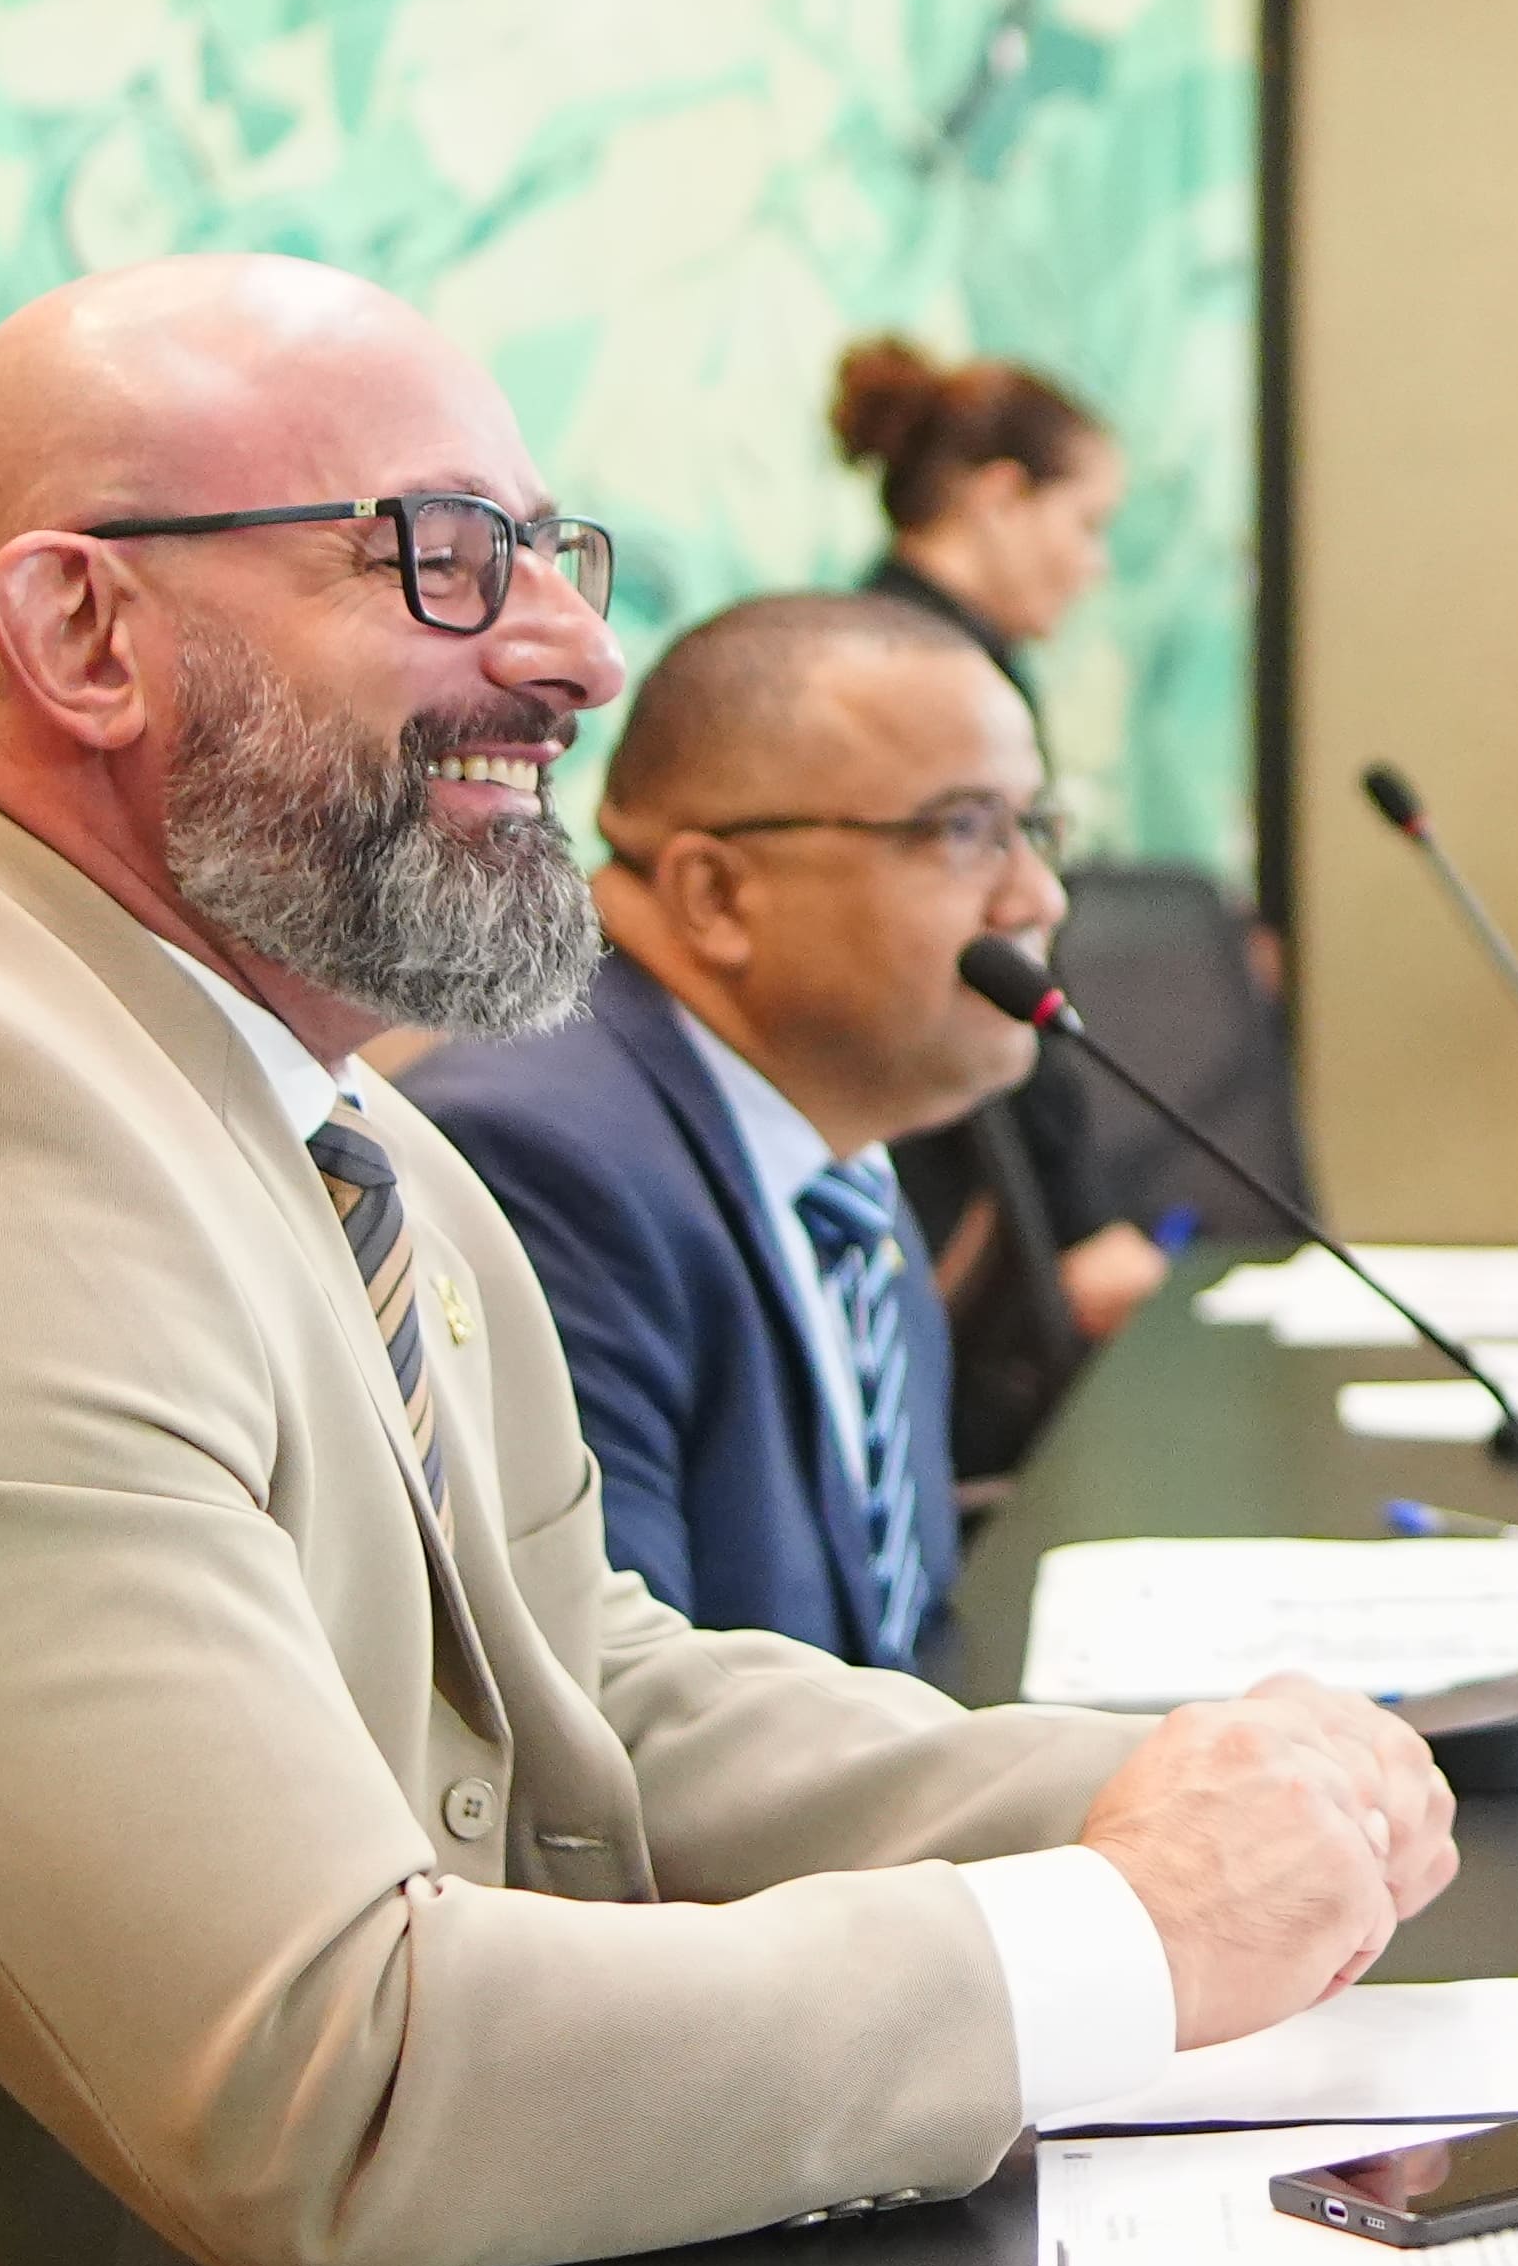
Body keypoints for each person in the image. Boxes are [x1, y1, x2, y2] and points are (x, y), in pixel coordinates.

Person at [0, 256, 1452, 2266]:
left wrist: (1157, 1783)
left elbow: (581, 1685)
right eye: (434, 555)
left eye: (549, 550)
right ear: (86, 635)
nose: (574, 656)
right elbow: (333, 2084)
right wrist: (1114, 1936)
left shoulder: (297, 1095)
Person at [413, 593, 1062, 1664]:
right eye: (963, 831)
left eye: (1033, 827)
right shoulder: (542, 1162)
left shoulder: (829, 1139)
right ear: (715, 894)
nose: (1036, 897)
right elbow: (612, 1727)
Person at [832, 332, 1167, 1471]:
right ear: (999, 498)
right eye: (1087, 524)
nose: (1095, 565)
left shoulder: (899, 647)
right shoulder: (930, 678)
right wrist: (1078, 1226)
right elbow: (987, 971)